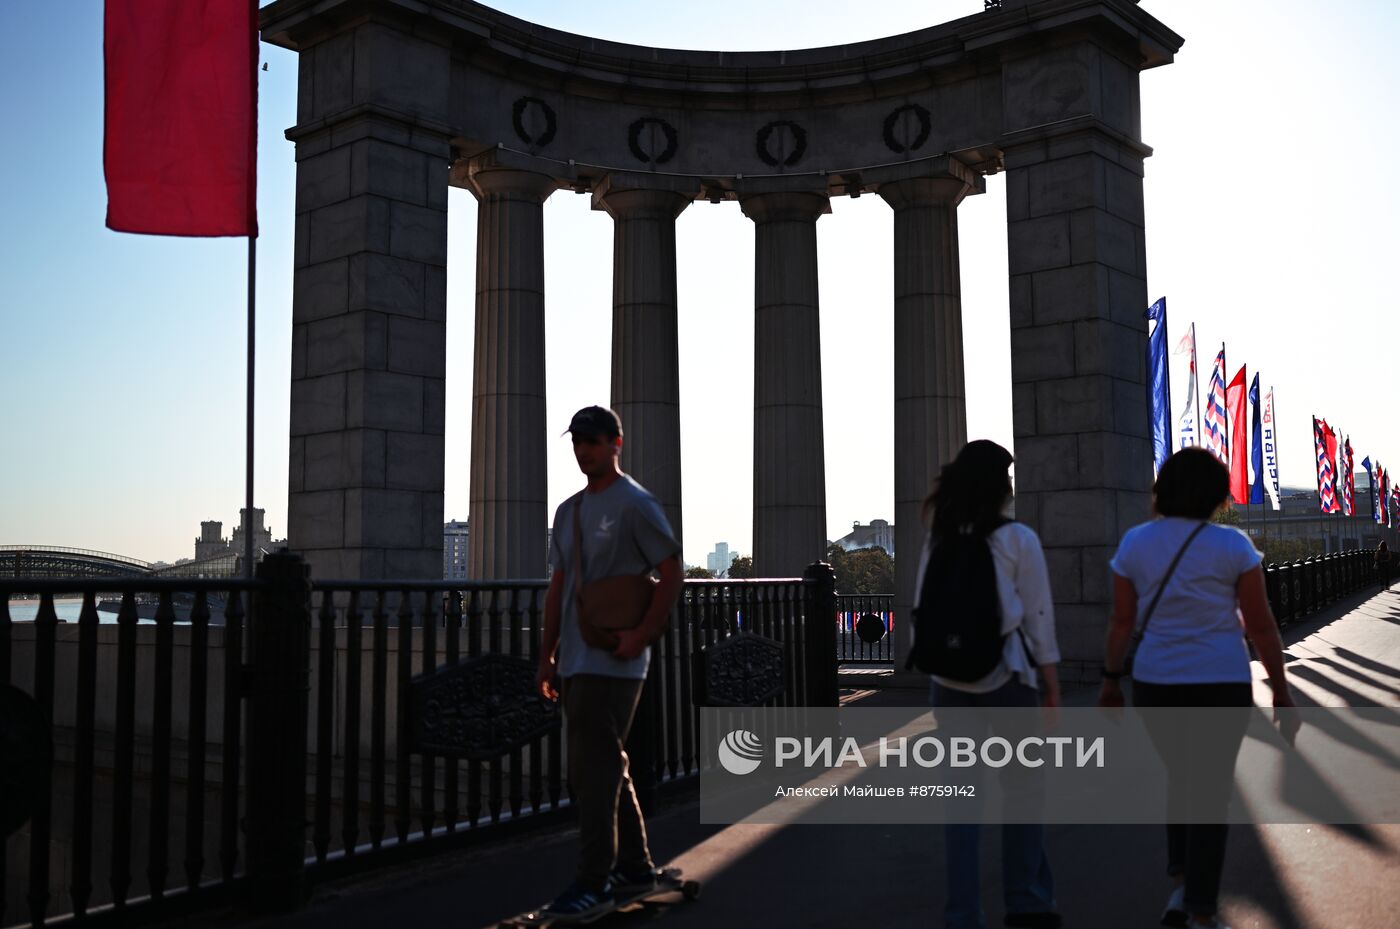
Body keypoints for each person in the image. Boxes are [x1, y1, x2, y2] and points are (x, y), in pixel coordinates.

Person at [1099, 447, 1296, 929]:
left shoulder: (1135, 544)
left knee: (1183, 782)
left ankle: (1181, 891)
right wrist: (1281, 689)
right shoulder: (1232, 547)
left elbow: (1121, 621)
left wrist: (1110, 681)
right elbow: (1261, 626)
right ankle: (1201, 913)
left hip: (1155, 682)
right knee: (1210, 793)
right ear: (1217, 494)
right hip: (1221, 680)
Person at [534, 406, 684, 919]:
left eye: (593, 441)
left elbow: (671, 571)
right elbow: (560, 586)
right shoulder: (568, 511)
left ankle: (593, 880)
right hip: (577, 655)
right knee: (606, 766)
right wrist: (547, 654)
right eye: (577, 441)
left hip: (617, 658)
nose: (583, 449)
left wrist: (642, 634)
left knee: (591, 772)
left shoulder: (634, 504)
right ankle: (636, 867)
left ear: (616, 442)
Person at [916, 439, 1063, 929]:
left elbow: (921, 608)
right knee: (1023, 792)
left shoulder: (938, 536)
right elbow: (1038, 616)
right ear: (1002, 487)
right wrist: (1051, 683)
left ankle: (962, 914)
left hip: (949, 682)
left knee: (960, 801)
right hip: (1008, 679)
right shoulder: (1017, 538)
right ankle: (1025, 902)